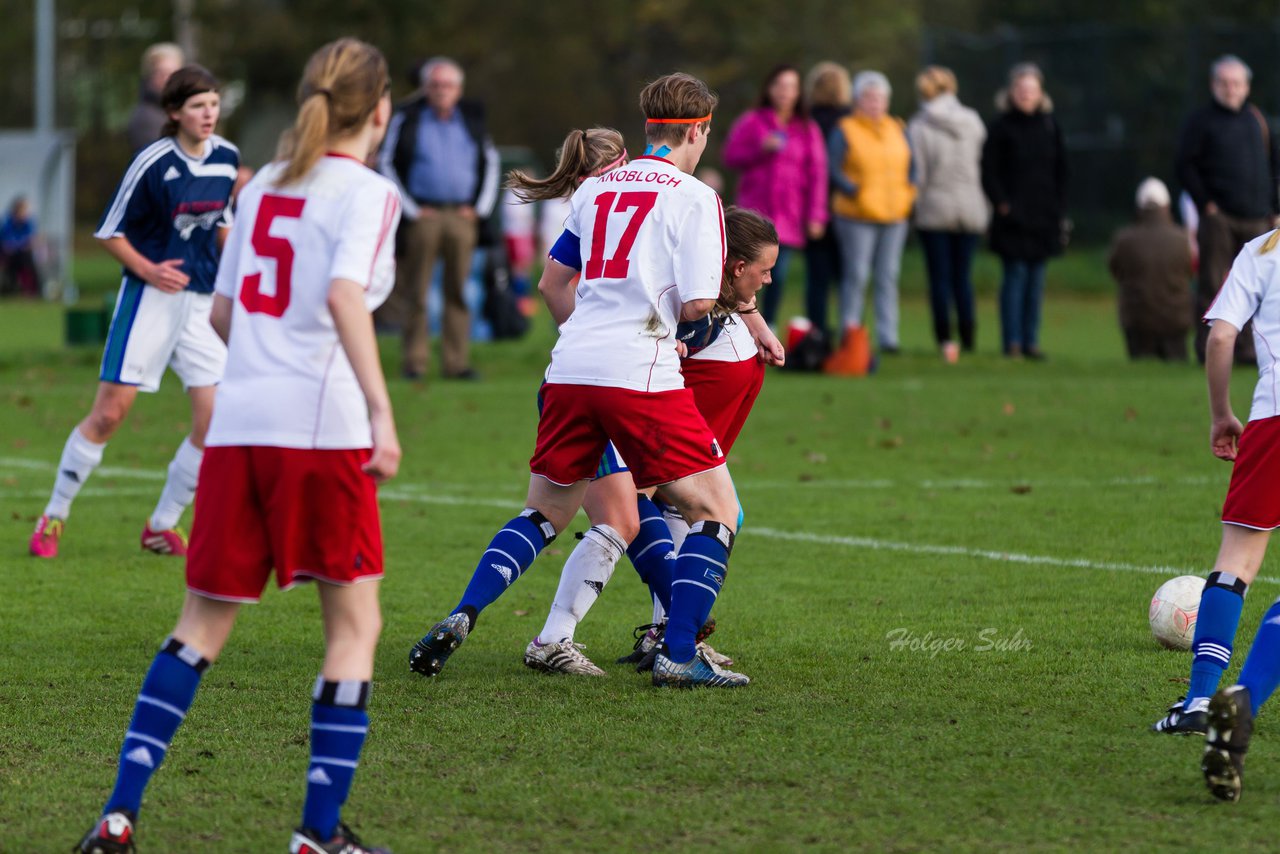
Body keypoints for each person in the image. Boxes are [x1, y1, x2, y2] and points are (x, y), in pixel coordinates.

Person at [75, 37, 402, 853]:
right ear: (381, 109)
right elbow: (341, 295)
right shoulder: (368, 192)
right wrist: (382, 411)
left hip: (240, 430)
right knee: (353, 628)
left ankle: (119, 816)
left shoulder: (260, 190)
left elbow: (223, 316)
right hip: (321, 433)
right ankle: (317, 835)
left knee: (198, 627)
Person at [408, 72, 753, 688]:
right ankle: (677, 653)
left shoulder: (595, 191)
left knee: (546, 511)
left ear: (650, 127)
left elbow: (554, 279)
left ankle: (464, 612)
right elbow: (700, 303)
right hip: (637, 369)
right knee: (717, 509)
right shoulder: (696, 197)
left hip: (569, 368)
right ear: (698, 130)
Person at [525, 206, 781, 676]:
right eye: (764, 272)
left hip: (637, 415)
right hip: (625, 416)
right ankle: (556, 635)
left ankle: (664, 635)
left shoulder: (725, 306)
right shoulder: (689, 313)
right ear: (737, 267)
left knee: (673, 514)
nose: (767, 282)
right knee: (625, 517)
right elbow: (648, 328)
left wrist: (753, 318)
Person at [28, 66, 238, 560]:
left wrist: (238, 276)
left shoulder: (227, 157)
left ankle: (161, 525)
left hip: (202, 304)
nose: (208, 113)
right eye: (197, 106)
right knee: (108, 415)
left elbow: (222, 225)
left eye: (213, 103)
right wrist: (150, 270)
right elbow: (109, 231)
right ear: (173, 113)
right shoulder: (153, 161)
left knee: (215, 422)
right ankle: (54, 515)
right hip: (149, 300)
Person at [379, 56, 499, 380]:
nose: (441, 91)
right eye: (434, 85)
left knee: (458, 291)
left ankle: (456, 363)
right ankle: (415, 363)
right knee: (416, 291)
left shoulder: (471, 120)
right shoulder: (410, 119)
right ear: (425, 89)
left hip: (462, 215)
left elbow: (491, 162)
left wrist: (480, 209)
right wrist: (412, 209)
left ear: (458, 90)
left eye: (447, 85)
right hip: (424, 215)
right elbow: (387, 162)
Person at [1176, 54, 1280, 365]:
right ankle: (1209, 351)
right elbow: (1184, 165)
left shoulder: (1258, 121)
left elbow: (1275, 166)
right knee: (1212, 285)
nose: (1230, 89)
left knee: (1259, 290)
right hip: (1220, 218)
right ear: (1213, 85)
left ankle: (1249, 351)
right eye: (1223, 82)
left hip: (1258, 219)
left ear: (1246, 87)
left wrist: (1275, 209)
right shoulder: (1200, 121)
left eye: (1236, 83)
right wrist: (1206, 204)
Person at [722, 64, 827, 326]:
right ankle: (736, 322)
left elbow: (818, 174)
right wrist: (761, 149)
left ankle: (768, 324)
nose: (784, 92)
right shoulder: (753, 121)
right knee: (744, 272)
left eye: (791, 86)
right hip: (754, 214)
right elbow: (731, 156)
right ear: (769, 89)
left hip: (789, 214)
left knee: (775, 275)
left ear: (798, 92)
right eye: (779, 85)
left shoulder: (806, 128)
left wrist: (816, 215)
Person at [981, 62, 1068, 360]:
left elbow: (1061, 170)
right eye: (1020, 89)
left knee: (1036, 281)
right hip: (1013, 218)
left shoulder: (1050, 125)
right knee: (1015, 277)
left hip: (1043, 217)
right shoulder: (1001, 126)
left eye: (1031, 89)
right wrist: (1002, 203)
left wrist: (1059, 208)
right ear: (1011, 92)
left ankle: (1031, 341)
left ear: (1040, 93)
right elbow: (988, 170)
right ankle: (1012, 343)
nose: (1026, 94)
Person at [829, 70, 915, 356]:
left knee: (888, 276)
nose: (874, 102)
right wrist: (853, 189)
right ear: (857, 99)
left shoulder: (897, 128)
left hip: (894, 216)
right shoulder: (846, 129)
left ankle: (888, 337)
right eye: (868, 96)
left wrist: (908, 193)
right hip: (857, 215)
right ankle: (850, 332)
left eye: (879, 97)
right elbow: (834, 167)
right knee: (857, 274)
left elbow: (912, 167)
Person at [907, 66, 988, 363]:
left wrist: (914, 207)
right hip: (971, 206)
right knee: (962, 277)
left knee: (939, 278)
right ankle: (969, 337)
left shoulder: (919, 125)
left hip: (935, 208)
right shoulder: (973, 120)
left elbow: (920, 174)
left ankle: (945, 339)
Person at [1107, 177, 1193, 361]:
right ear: (1167, 206)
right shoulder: (1182, 240)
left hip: (1137, 323)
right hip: (1175, 321)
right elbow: (1190, 271)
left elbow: (1115, 270)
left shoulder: (1124, 239)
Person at [803, 61, 853, 343]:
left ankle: (817, 330)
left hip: (815, 208)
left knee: (817, 277)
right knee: (847, 276)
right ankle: (847, 330)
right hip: (848, 207)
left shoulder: (807, 121)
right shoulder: (852, 121)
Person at [126, 43, 185, 151]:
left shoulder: (178, 109)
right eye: (161, 73)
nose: (168, 79)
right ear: (149, 76)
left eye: (173, 73)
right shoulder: (146, 118)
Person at [0, 196, 41, 296]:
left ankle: (34, 290)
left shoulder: (29, 222)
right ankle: (11, 288)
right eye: (23, 210)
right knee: (11, 263)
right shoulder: (7, 222)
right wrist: (17, 245)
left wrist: (19, 245)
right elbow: (5, 240)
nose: (25, 213)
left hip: (23, 254)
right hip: (9, 254)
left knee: (28, 261)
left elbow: (31, 240)